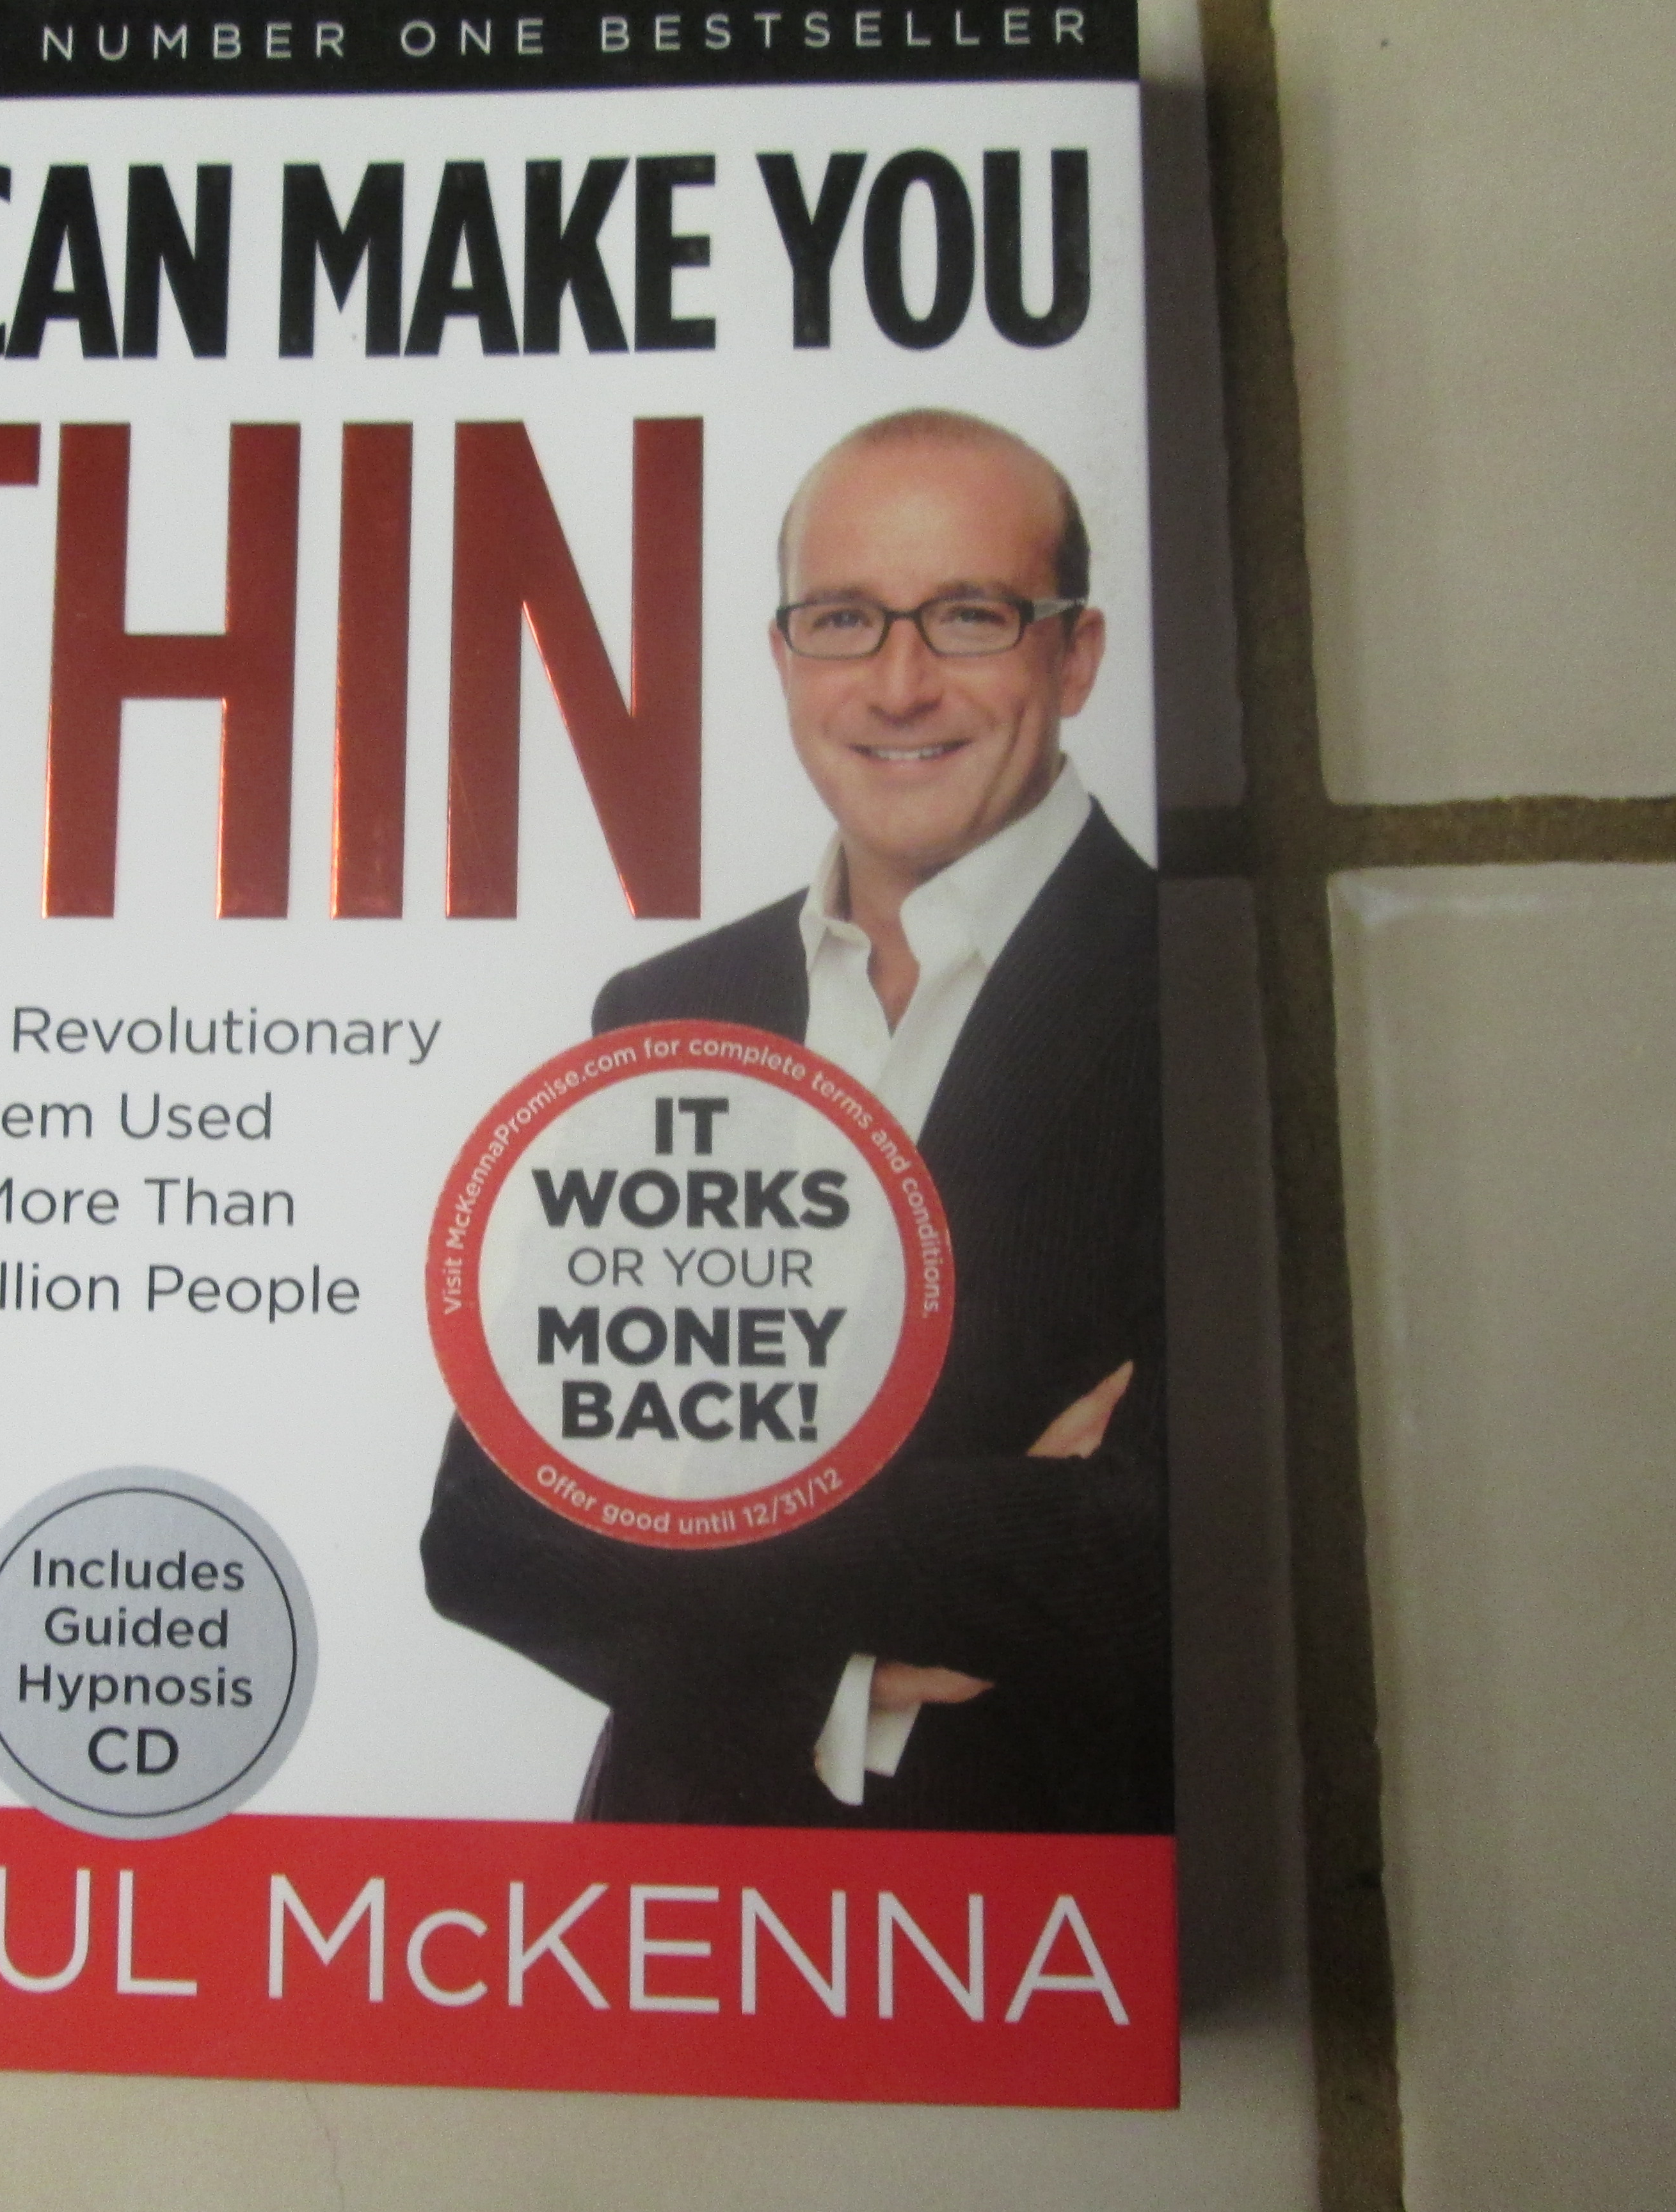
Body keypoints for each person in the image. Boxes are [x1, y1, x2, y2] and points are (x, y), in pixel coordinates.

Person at [419, 408, 1170, 1833]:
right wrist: (867, 1641)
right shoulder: (671, 1009)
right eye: (843, 620)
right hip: (669, 1883)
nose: (898, 685)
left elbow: (1144, 1551)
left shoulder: (1188, 986)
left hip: (1022, 1886)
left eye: (969, 616)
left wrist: (667, 1517)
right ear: (782, 659)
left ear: (1075, 656)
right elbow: (491, 1532)